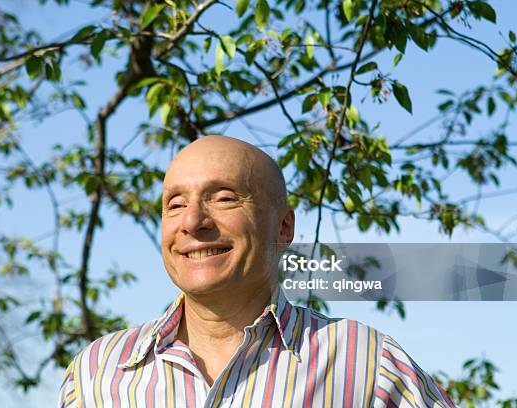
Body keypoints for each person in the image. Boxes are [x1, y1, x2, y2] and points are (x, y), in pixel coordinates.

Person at [58, 135, 456, 407]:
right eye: (175, 204)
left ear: (284, 227)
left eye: (225, 198)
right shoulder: (98, 371)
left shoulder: (365, 361)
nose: (193, 221)